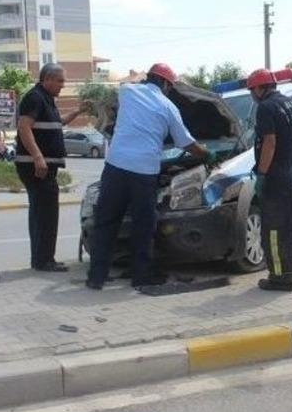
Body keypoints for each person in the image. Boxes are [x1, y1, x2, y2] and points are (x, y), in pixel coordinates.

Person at [85, 63, 218, 290]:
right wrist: (207, 154)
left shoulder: (127, 92)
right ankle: (141, 276)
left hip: (115, 166)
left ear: (150, 77)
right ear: (166, 84)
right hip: (143, 172)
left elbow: (127, 83)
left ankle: (96, 276)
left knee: (106, 222)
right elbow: (185, 143)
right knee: (143, 225)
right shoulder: (168, 107)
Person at [15, 63, 91, 272]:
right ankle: (44, 260)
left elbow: (58, 123)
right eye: (60, 81)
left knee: (42, 212)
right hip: (37, 167)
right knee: (46, 213)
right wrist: (38, 157)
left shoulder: (46, 100)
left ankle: (40, 258)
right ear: (46, 79)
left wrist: (78, 111)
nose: (63, 85)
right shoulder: (34, 97)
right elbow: (24, 127)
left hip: (43, 166)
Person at [247, 69, 292, 291]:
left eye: (251, 90)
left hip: (278, 178)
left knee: (274, 230)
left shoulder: (266, 108)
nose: (251, 95)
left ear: (259, 88)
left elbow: (270, 142)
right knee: (291, 226)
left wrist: (262, 174)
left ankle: (279, 278)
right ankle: (290, 272)